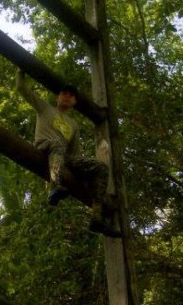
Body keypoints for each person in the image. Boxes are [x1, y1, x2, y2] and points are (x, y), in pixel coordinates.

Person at [16, 71, 121, 238]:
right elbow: (21, 88)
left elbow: (75, 153)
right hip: (43, 147)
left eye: (71, 96)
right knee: (57, 143)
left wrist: (83, 173)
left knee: (100, 167)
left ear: (74, 102)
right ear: (58, 97)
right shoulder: (45, 108)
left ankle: (97, 218)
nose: (67, 97)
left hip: (63, 156)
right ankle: (55, 186)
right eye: (64, 93)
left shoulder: (73, 124)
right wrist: (21, 69)